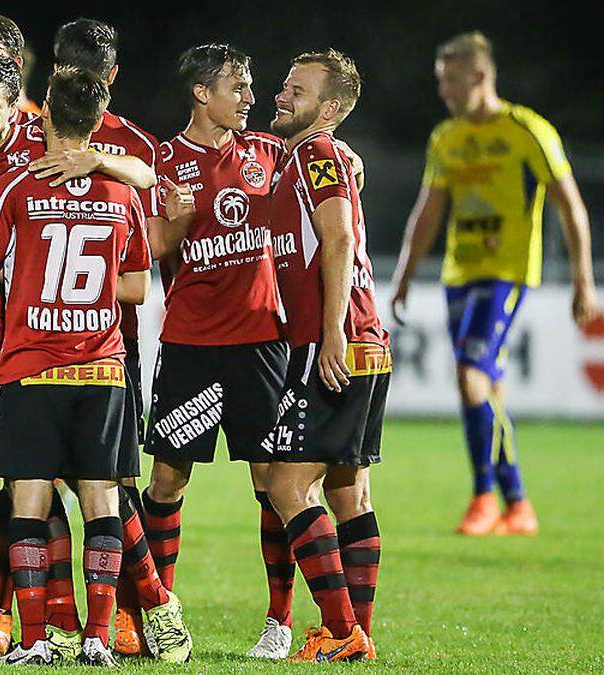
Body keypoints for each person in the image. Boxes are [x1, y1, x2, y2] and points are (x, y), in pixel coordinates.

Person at [0, 65, 155, 667]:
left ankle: (34, 639)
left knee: (28, 502)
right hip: (100, 368)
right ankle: (99, 639)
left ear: (43, 114)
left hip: (29, 367)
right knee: (103, 500)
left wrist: (14, 297)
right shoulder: (121, 193)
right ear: (99, 121)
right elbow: (137, 287)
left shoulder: (18, 188)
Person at [390, 31, 599, 536]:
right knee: (488, 389)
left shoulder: (528, 131)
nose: (444, 94)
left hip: (508, 273)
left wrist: (582, 280)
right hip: (458, 276)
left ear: (481, 77)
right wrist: (403, 276)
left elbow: (570, 206)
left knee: (470, 376)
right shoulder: (447, 137)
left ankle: (484, 497)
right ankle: (518, 505)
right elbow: (429, 210)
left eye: (451, 83)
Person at [141, 43, 301, 659]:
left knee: (271, 482)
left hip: (261, 344)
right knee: (167, 478)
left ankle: (279, 620)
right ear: (203, 94)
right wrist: (175, 223)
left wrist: (352, 160)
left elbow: (324, 165)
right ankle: (157, 613)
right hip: (191, 345)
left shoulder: (267, 153)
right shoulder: (162, 162)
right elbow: (150, 251)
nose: (251, 97)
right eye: (238, 86)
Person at [264, 49, 385, 662]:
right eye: (284, 85)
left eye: (297, 89)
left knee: (287, 487)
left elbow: (337, 237)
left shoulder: (316, 154)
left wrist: (330, 331)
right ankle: (352, 634)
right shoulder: (304, 157)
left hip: (335, 341)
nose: (282, 94)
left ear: (330, 109)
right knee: (348, 494)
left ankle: (341, 630)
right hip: (362, 340)